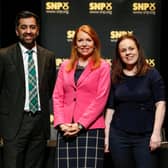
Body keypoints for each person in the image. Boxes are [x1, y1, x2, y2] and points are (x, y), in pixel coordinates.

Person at [0, 10, 56, 168]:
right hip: (14, 124)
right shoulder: (4, 55)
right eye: (24, 27)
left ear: (38, 30)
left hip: (39, 122)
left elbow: (49, 88)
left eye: (32, 27)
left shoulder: (48, 56)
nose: (28, 31)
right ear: (17, 30)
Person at [52, 24, 111, 168]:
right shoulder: (65, 66)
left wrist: (80, 125)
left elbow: (101, 99)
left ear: (95, 43)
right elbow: (57, 96)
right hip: (66, 129)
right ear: (75, 44)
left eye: (89, 40)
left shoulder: (103, 66)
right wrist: (61, 123)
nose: (84, 44)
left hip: (90, 129)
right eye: (80, 40)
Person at [104, 34, 166, 168]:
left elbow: (161, 104)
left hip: (145, 137)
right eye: (123, 50)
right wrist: (107, 136)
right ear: (119, 54)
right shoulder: (115, 76)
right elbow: (110, 108)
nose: (128, 53)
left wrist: (156, 133)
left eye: (131, 48)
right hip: (119, 137)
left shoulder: (152, 74)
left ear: (138, 49)